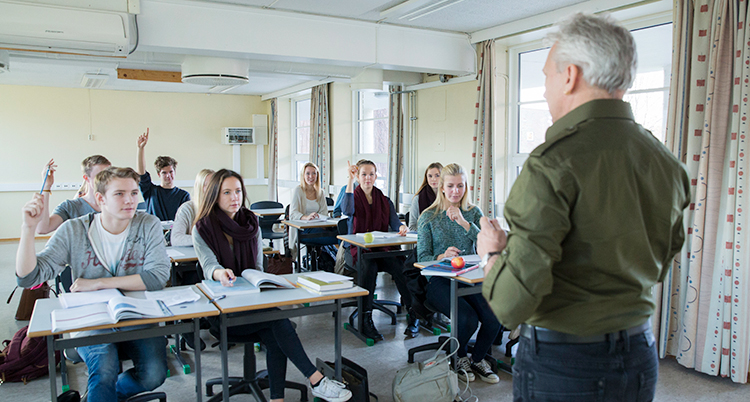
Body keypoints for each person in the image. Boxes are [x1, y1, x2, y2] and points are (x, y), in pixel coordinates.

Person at [477, 13, 691, 401]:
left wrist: (492, 253)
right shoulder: (664, 161)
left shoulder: (554, 164)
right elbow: (661, 259)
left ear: (570, 76)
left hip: (566, 361)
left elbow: (510, 304)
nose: (544, 90)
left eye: (546, 77)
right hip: (640, 351)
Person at [192, 169, 352, 402]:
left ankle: (278, 398)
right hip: (225, 311)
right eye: (226, 192)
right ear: (215, 195)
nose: (234, 197)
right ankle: (316, 380)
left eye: (238, 191)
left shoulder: (251, 222)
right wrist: (220, 273)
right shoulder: (203, 227)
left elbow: (257, 266)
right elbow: (208, 265)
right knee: (278, 323)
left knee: (277, 328)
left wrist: (266, 281)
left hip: (255, 304)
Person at [16, 167, 171, 401]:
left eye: (133, 193)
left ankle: (101, 396)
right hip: (91, 318)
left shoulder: (148, 224)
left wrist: (98, 283)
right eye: (119, 194)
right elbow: (29, 277)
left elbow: (157, 277)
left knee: (153, 374)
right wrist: (28, 229)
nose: (129, 200)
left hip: (137, 315)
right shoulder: (74, 229)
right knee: (104, 369)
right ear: (100, 199)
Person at [417, 163, 500, 384]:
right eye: (451, 186)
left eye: (460, 186)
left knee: (495, 316)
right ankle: (458, 357)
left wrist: (464, 223)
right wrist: (441, 256)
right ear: (442, 188)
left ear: (466, 187)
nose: (456, 191)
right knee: (467, 318)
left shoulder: (473, 212)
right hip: (439, 281)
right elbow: (421, 257)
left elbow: (486, 243)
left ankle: (478, 358)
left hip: (470, 277)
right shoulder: (428, 216)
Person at [341, 160, 419, 340]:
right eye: (363, 174)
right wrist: (349, 181)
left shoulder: (384, 200)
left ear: (376, 176)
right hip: (357, 251)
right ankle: (365, 319)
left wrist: (401, 227)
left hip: (381, 249)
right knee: (369, 268)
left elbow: (395, 222)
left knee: (401, 267)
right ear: (358, 176)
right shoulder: (352, 195)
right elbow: (346, 210)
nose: (368, 178)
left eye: (371, 174)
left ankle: (413, 314)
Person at [36, 155, 112, 234]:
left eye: (109, 175)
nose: (106, 180)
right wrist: (46, 186)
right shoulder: (70, 207)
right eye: (100, 176)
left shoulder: (117, 204)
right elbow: (42, 229)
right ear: (86, 178)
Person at [136, 128, 190, 221]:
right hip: (153, 234)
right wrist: (141, 149)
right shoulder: (150, 191)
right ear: (158, 174)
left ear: (175, 172)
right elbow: (141, 173)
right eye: (164, 173)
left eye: (171, 172)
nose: (168, 175)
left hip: (174, 234)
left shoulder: (183, 196)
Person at [289, 162, 338, 261]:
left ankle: (340, 263)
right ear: (303, 175)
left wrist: (321, 218)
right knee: (337, 238)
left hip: (319, 226)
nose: (311, 176)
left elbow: (324, 212)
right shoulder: (298, 191)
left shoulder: (320, 192)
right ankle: (339, 262)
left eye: (314, 173)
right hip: (303, 230)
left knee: (341, 233)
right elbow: (293, 213)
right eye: (308, 173)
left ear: (317, 175)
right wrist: (306, 217)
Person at [170, 169, 215, 247]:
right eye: (207, 185)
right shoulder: (187, 209)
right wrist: (206, 240)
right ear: (199, 187)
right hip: (193, 255)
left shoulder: (223, 209)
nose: (212, 189)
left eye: (214, 185)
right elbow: (176, 238)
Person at [408, 162, 443, 231]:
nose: (433, 179)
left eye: (437, 175)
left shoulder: (448, 198)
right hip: (423, 238)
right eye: (430, 176)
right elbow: (412, 227)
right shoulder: (418, 199)